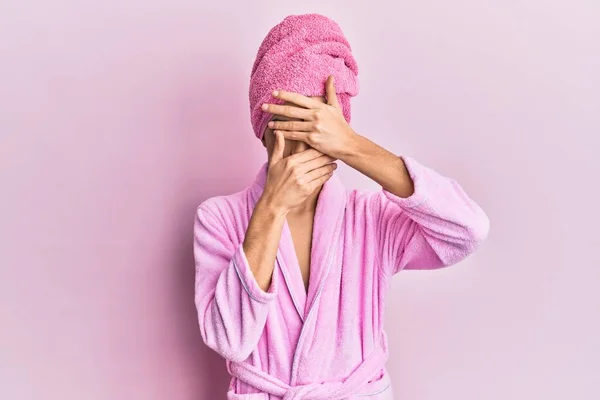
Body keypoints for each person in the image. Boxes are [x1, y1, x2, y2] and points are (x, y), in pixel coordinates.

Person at [193, 13, 490, 399]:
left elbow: (468, 231)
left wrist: (354, 147)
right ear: (262, 126)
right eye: (287, 125)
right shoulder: (219, 218)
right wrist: (271, 208)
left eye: (315, 128)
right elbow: (228, 339)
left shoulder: (370, 218)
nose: (300, 147)